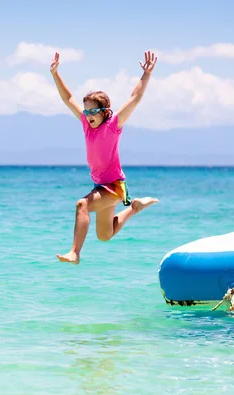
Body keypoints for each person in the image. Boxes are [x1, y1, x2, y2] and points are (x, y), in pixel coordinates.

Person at [50, 50, 159, 265]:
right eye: (86, 112)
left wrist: (146, 74)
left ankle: (75, 252)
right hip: (100, 185)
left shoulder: (113, 125)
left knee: (82, 205)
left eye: (93, 112)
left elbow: (135, 98)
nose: (88, 116)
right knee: (104, 235)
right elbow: (68, 98)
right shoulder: (86, 125)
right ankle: (135, 208)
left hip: (114, 186)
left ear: (104, 112)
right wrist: (55, 74)